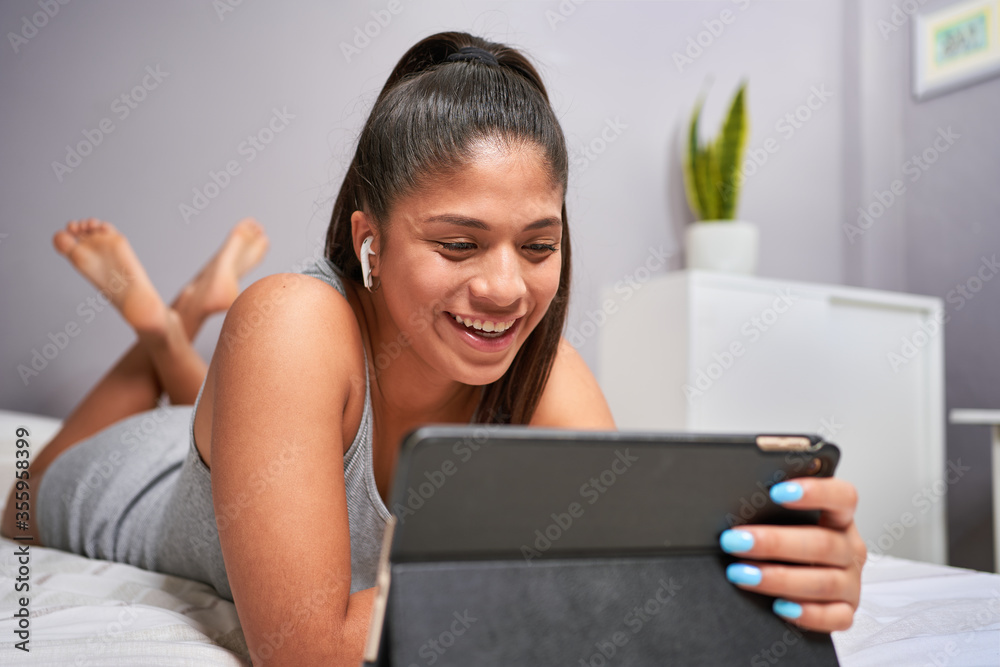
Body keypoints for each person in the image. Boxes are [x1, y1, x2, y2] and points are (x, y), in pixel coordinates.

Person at [2, 31, 865, 665]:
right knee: (17, 502)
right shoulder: (290, 318)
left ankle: (180, 343)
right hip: (138, 482)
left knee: (221, 405)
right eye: (458, 244)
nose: (507, 289)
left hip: (258, 421)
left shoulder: (546, 371)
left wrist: (772, 572)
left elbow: (629, 579)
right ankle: (163, 326)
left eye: (537, 246)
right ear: (368, 240)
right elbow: (308, 654)